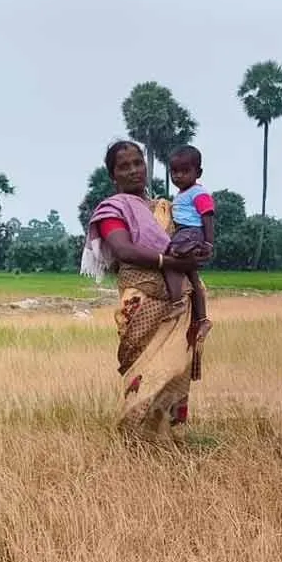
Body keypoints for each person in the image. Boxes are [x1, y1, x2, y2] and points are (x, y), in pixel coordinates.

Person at [80, 140, 211, 442]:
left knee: (175, 367)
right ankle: (135, 439)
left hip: (179, 298)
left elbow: (193, 240)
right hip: (141, 298)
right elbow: (124, 249)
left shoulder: (167, 207)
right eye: (123, 166)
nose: (134, 171)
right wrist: (169, 260)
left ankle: (164, 438)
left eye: (138, 163)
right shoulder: (113, 209)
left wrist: (198, 252)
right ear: (113, 176)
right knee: (141, 367)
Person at [164, 145, 215, 339]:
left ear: (198, 172)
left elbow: (208, 216)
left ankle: (177, 302)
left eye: (185, 171)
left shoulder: (198, 193)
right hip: (183, 233)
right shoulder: (181, 194)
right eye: (174, 171)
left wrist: (209, 243)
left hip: (190, 234)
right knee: (193, 279)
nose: (178, 176)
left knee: (167, 258)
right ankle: (202, 320)